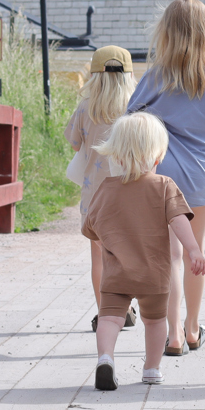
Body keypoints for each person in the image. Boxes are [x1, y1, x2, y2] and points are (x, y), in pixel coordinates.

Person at [125, 0, 205, 355]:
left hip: (163, 173)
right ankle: (191, 329)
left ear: (166, 33)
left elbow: (131, 115)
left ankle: (171, 335)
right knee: (194, 251)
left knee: (169, 255)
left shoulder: (156, 77)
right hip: (202, 172)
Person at [82, 113, 205, 389]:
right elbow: (178, 220)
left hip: (117, 273)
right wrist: (193, 249)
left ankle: (106, 357)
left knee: (110, 319)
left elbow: (91, 227)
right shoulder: (164, 186)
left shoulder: (107, 188)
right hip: (154, 273)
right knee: (154, 322)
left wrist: (109, 244)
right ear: (158, 156)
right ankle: (151, 369)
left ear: (117, 154)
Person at [64, 45, 138, 333]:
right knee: (129, 253)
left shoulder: (86, 106)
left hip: (95, 194)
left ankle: (106, 314)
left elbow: (74, 143)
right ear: (129, 74)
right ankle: (129, 306)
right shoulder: (136, 106)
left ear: (95, 75)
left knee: (99, 257)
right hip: (131, 193)